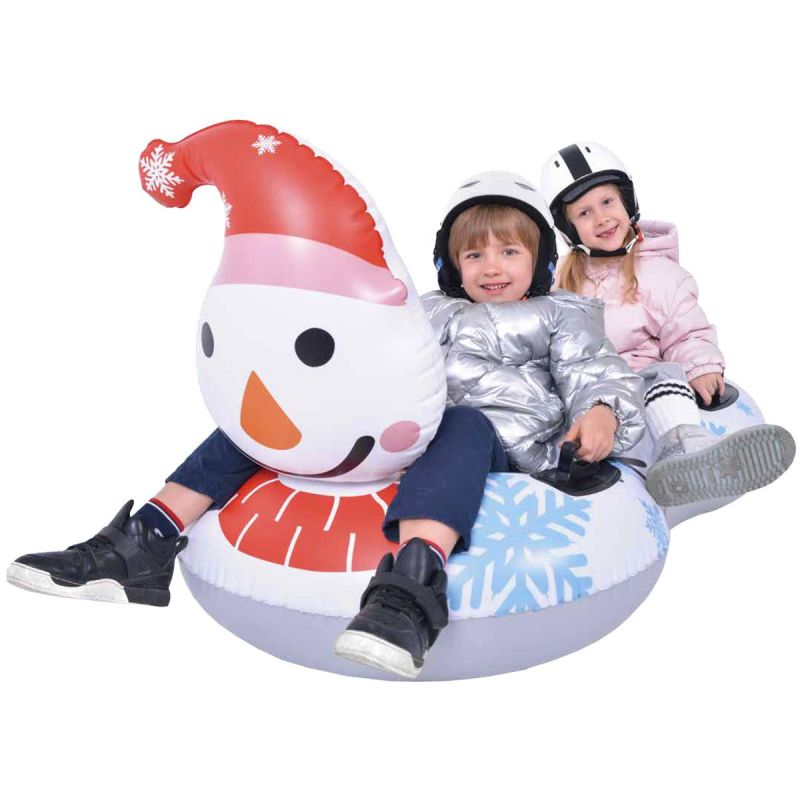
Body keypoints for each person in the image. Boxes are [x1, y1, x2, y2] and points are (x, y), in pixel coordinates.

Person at [333, 172, 644, 677]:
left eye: (509, 252)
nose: (491, 267)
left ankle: (409, 592)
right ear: (450, 264)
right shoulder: (429, 312)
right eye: (474, 254)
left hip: (510, 453)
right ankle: (182, 515)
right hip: (424, 447)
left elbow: (594, 370)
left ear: (541, 259)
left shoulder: (560, 313)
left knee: (464, 424)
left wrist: (602, 410)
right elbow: (385, 365)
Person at [540, 142, 795, 506]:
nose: (602, 218)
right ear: (569, 228)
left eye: (608, 202)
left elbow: (686, 332)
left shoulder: (657, 274)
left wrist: (701, 367)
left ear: (627, 202)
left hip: (640, 384)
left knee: (664, 375)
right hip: (588, 395)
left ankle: (684, 448)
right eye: (584, 213)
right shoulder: (561, 287)